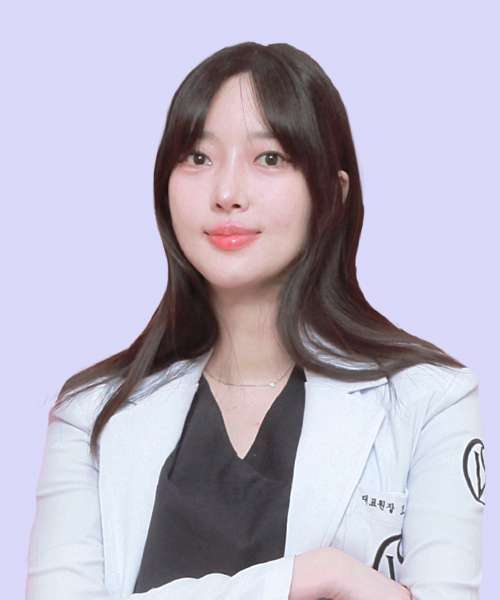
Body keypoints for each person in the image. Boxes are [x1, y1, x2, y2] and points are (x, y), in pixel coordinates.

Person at [25, 42, 484, 600]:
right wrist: (305, 578)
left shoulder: (430, 400)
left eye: (270, 158)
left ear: (333, 195)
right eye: (198, 157)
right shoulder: (90, 415)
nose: (226, 194)